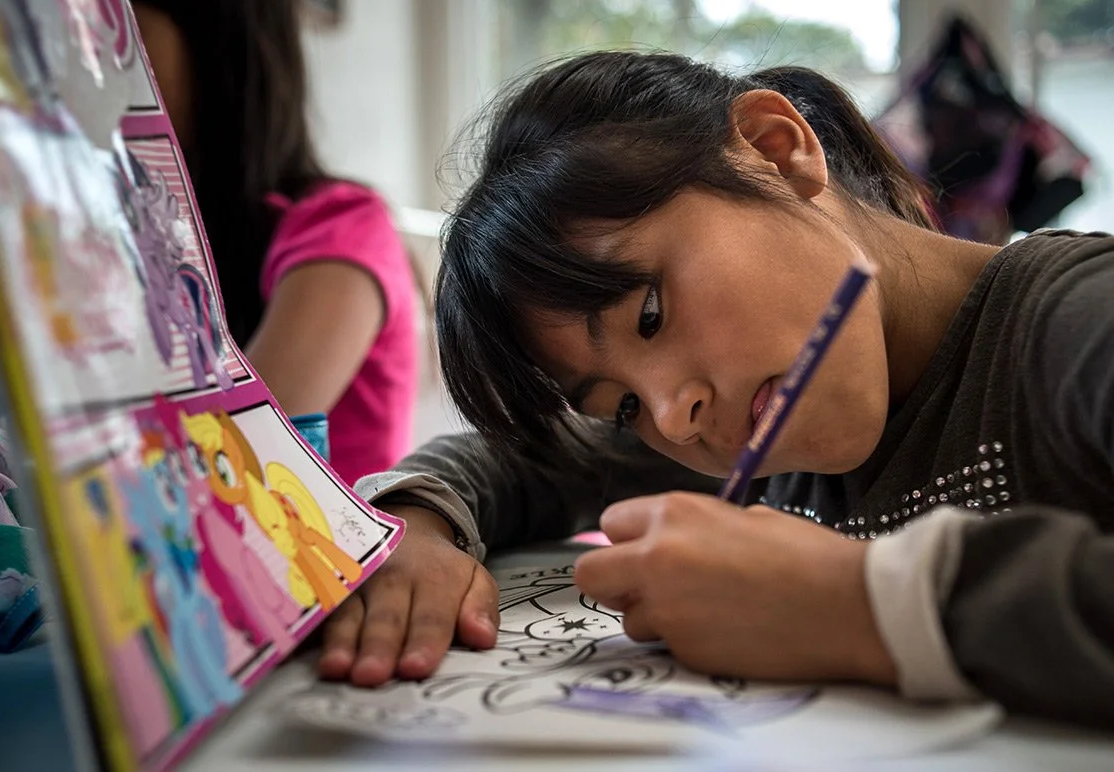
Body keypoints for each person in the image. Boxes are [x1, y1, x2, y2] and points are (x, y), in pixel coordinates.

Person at [320, 51, 1114, 730]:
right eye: (621, 406)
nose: (672, 414)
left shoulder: (1079, 325)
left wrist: (859, 605)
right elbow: (522, 461)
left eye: (652, 314)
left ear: (776, 150)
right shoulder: (757, 436)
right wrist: (413, 525)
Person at [130, 0, 419, 483]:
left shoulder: (341, 227)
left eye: (130, 45)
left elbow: (232, 456)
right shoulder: (155, 234)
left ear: (219, 52)